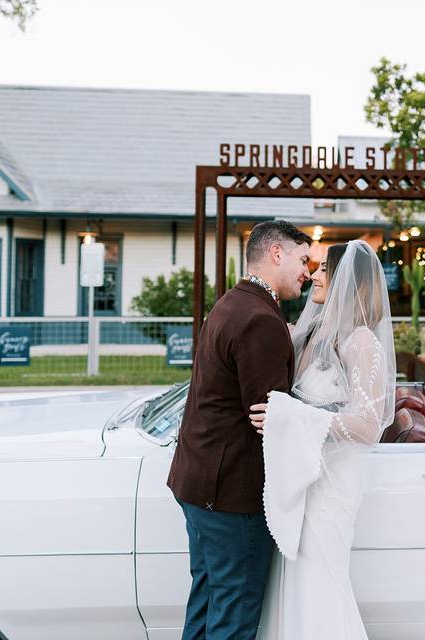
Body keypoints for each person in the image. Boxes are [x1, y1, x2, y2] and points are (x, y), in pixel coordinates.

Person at [166, 219, 312, 640]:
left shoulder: (232, 303)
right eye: (303, 260)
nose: (307, 270)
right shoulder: (260, 320)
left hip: (198, 483)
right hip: (231, 496)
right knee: (234, 617)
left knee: (208, 601)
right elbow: (272, 420)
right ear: (276, 254)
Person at [248, 240, 397, 640]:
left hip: (332, 486)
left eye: (325, 270)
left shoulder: (363, 343)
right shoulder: (313, 333)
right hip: (304, 478)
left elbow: (368, 425)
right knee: (292, 581)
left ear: (350, 282)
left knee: (319, 579)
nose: (314, 274)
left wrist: (299, 417)